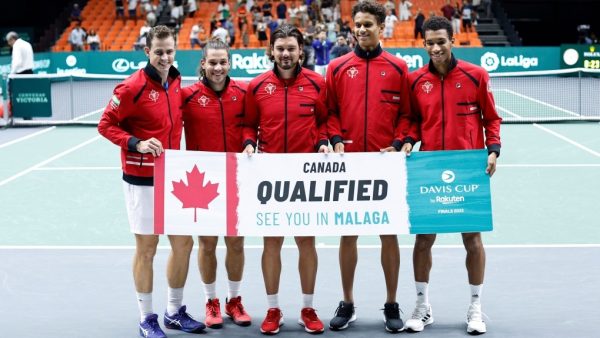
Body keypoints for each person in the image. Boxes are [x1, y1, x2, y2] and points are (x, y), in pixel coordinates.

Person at [97, 25, 206, 338]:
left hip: (173, 177)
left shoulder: (174, 78)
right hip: (141, 178)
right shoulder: (131, 88)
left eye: (169, 51)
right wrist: (136, 143)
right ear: (147, 51)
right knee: (147, 248)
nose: (165, 57)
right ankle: (147, 317)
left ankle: (174, 312)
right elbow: (105, 125)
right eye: (159, 52)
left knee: (184, 243)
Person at [400, 16, 501, 335]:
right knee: (423, 240)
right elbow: (413, 121)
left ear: (452, 40)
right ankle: (422, 305)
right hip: (429, 167)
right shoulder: (416, 81)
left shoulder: (476, 76)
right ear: (424, 44)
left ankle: (475, 307)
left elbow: (491, 119)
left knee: (472, 239)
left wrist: (493, 149)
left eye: (441, 41)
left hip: (468, 166)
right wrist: (405, 141)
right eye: (429, 42)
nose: (435, 47)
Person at [325, 1, 411, 333]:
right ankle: (347, 303)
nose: (361, 30)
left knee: (388, 235)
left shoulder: (398, 67)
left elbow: (407, 114)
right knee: (348, 234)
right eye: (357, 24)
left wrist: (401, 138)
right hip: (349, 166)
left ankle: (391, 304)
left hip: (385, 166)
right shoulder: (337, 67)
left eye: (368, 25)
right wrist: (335, 139)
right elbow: (329, 112)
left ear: (381, 26)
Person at [243, 23, 329, 335]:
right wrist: (248, 142)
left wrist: (322, 141)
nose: (285, 54)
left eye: (291, 48)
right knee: (272, 242)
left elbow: (326, 120)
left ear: (300, 51)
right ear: (271, 52)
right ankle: (273, 308)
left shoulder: (318, 84)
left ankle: (308, 307)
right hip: (270, 176)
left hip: (305, 177)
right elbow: (248, 125)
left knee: (307, 242)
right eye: (280, 48)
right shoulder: (257, 87)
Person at [180, 38, 252, 330]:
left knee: (236, 243)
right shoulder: (186, 96)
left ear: (230, 63)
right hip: (202, 183)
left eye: (223, 62)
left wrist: (248, 142)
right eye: (213, 62)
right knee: (207, 244)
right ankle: (211, 302)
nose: (218, 67)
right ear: (203, 64)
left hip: (237, 179)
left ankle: (233, 300)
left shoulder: (244, 93)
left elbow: (250, 125)